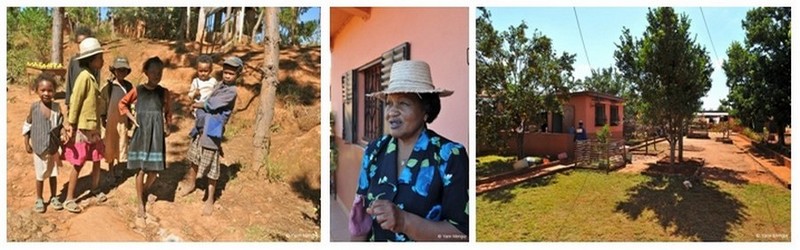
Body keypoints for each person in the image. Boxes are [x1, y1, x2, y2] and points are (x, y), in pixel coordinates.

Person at [349, 60, 468, 242]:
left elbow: (460, 235)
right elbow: (361, 219)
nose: (392, 112)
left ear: (425, 111)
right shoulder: (374, 150)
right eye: (389, 103)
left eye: (403, 103)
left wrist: (404, 221)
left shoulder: (450, 155)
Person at [178, 57, 241, 216]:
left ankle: (210, 198)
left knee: (212, 164)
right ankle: (191, 183)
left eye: (231, 74)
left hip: (214, 127)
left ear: (237, 75)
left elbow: (211, 104)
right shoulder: (219, 84)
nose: (227, 76)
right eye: (225, 72)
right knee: (194, 156)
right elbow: (207, 97)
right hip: (203, 124)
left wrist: (197, 104)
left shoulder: (231, 92)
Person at [119, 56, 172, 225]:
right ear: (146, 72)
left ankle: (144, 190)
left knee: (153, 171)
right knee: (140, 169)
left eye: (160, 72)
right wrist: (131, 119)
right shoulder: (138, 90)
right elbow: (122, 104)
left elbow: (168, 112)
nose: (157, 75)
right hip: (142, 133)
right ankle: (140, 203)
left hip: (156, 134)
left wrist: (168, 126)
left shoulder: (164, 92)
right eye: (154, 72)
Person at [63, 37, 108, 213]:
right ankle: (69, 198)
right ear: (91, 59)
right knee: (79, 163)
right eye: (100, 58)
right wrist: (71, 124)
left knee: (97, 159)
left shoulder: (92, 76)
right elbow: (75, 101)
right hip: (83, 128)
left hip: (94, 128)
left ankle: (95, 188)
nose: (103, 61)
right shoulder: (83, 77)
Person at [24, 73, 64, 213]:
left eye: (50, 90)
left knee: (53, 173)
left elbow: (61, 124)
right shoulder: (34, 108)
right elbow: (28, 125)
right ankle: (39, 198)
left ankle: (54, 196)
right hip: (39, 148)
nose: (46, 93)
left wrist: (63, 134)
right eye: (43, 90)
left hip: (53, 147)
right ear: (37, 90)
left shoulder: (57, 107)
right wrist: (26, 142)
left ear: (54, 91)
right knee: (40, 175)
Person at [100, 56, 134, 183]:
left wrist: (130, 121)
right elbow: (103, 103)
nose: (121, 73)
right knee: (110, 145)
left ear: (127, 72)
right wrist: (103, 117)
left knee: (122, 144)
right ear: (114, 71)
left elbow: (132, 104)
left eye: (124, 70)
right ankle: (110, 170)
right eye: (119, 70)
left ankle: (119, 169)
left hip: (123, 121)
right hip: (111, 122)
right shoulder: (108, 88)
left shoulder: (129, 87)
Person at [65, 26, 98, 112]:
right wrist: (68, 101)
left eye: (84, 42)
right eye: (79, 42)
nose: (81, 45)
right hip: (74, 101)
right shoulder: (73, 60)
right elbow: (69, 81)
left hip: (88, 102)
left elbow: (96, 81)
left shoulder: (94, 61)